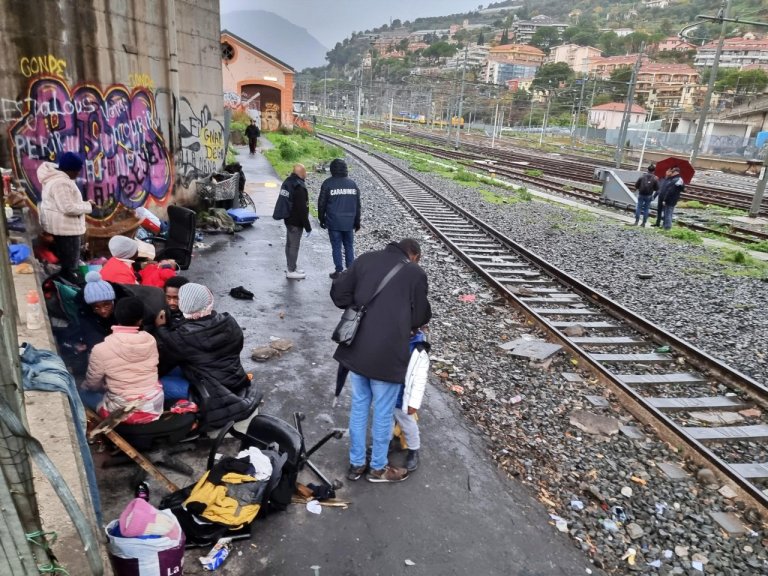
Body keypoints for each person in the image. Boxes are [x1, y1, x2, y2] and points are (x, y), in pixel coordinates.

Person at [331, 238, 431, 483]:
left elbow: (339, 295)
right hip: (387, 355)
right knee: (384, 412)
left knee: (359, 407)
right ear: (414, 255)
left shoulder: (366, 259)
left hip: (358, 350)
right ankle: (377, 468)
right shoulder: (414, 272)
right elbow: (420, 316)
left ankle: (356, 465)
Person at [155, 283, 257, 428]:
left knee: (154, 384)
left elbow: (163, 364)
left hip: (210, 393)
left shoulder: (183, 336)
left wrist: (161, 327)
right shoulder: (229, 321)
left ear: (184, 305)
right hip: (235, 379)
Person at [80, 297, 164, 424]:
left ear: (117, 316)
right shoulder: (150, 340)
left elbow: (92, 384)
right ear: (140, 320)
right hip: (153, 406)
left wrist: (96, 386)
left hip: (124, 414)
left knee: (83, 393)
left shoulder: (100, 349)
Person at [36, 152, 93, 282]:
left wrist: (85, 204)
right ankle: (68, 292)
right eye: (77, 171)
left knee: (66, 266)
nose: (78, 174)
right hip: (67, 232)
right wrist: (89, 206)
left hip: (62, 229)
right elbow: (68, 208)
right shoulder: (61, 183)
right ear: (71, 170)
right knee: (70, 267)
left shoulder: (55, 179)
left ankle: (64, 287)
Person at [394, 330, 430, 472]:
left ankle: (414, 449)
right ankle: (387, 443)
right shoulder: (393, 337)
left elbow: (420, 379)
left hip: (403, 395)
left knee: (408, 423)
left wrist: (414, 403)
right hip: (387, 390)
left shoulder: (419, 349)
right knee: (385, 420)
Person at [318, 159, 361, 279]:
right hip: (349, 222)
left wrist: (321, 219)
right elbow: (357, 205)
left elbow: (321, 204)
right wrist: (357, 222)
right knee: (349, 245)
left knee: (336, 246)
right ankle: (350, 272)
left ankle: (339, 271)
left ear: (332, 169)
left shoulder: (327, 183)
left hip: (334, 222)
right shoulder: (352, 184)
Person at [282, 164, 311, 280]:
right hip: (295, 221)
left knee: (289, 244)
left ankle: (291, 266)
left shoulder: (289, 181)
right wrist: (308, 227)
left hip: (288, 218)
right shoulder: (299, 187)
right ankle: (291, 270)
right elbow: (302, 209)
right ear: (301, 173)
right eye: (305, 171)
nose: (306, 173)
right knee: (294, 246)